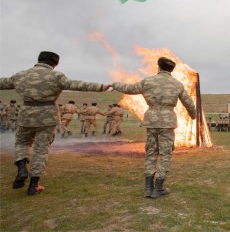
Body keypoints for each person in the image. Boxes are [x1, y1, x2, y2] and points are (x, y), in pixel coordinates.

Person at [0, 51, 110, 196]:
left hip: (26, 115)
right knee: (41, 149)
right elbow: (76, 84)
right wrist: (101, 87)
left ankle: (21, 166)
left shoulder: (20, 75)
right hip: (47, 116)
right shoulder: (56, 76)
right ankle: (33, 185)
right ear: (55, 63)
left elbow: (3, 83)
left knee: (22, 143)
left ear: (39, 59)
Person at [112, 57, 196, 199]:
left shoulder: (148, 81)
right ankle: (158, 188)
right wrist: (193, 116)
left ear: (158, 67)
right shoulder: (177, 84)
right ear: (172, 70)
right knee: (165, 154)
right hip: (167, 122)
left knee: (151, 152)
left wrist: (114, 84)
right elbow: (189, 103)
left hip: (151, 120)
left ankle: (148, 187)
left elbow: (129, 89)